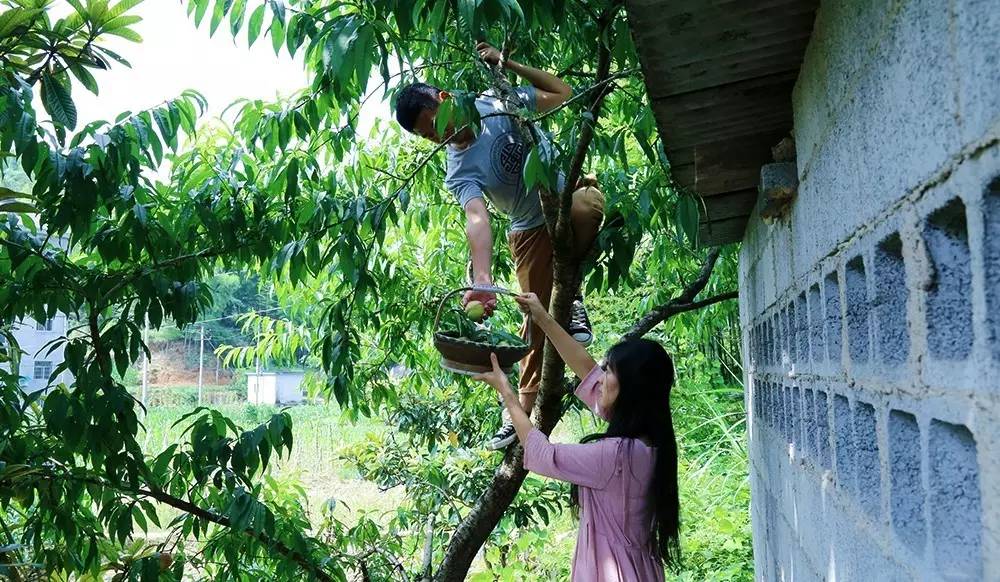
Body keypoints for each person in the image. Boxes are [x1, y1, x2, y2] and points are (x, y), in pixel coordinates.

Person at [394, 42, 605, 449]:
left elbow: (563, 94)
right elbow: (477, 217)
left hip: (566, 200)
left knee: (583, 209)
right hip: (527, 230)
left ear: (445, 98)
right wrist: (483, 279)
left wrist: (508, 65)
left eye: (434, 123)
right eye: (427, 136)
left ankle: (572, 293)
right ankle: (522, 414)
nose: (439, 136)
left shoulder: (496, 102)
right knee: (535, 317)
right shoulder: (458, 168)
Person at [473, 292, 680, 581]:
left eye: (609, 371)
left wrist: (507, 393)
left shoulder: (615, 456)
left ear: (629, 389)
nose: (601, 376)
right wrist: (542, 317)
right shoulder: (650, 443)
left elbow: (542, 456)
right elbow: (587, 371)